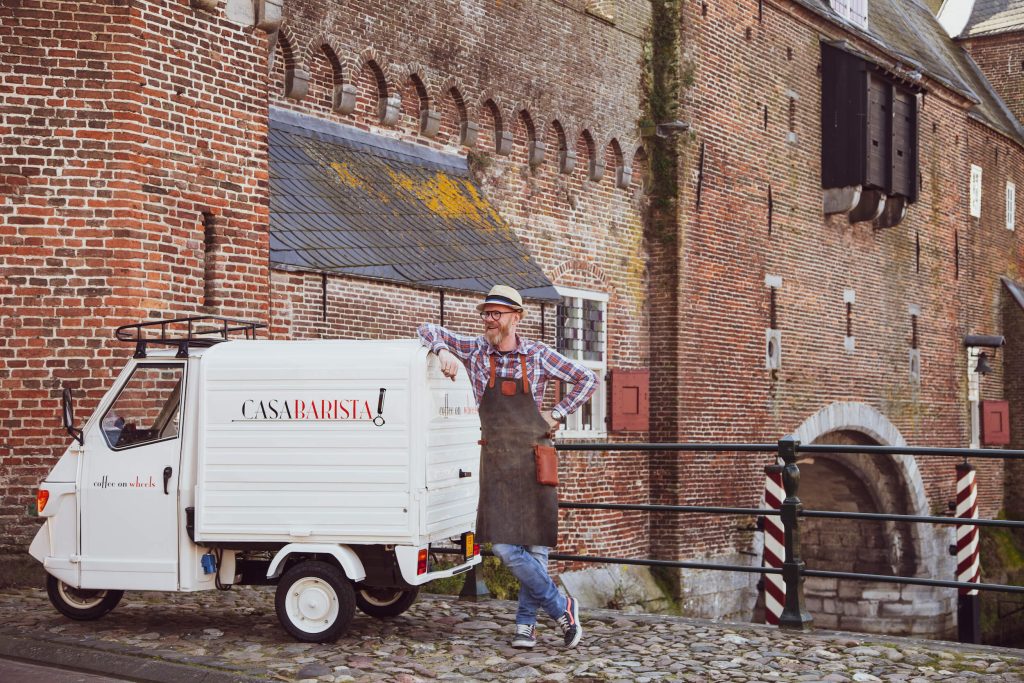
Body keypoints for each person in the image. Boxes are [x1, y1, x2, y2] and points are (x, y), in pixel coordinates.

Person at [418, 284, 598, 650]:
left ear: (516, 318)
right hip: (497, 460)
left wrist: (558, 412)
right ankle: (560, 605)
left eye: (496, 313)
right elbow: (427, 329)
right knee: (503, 545)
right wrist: (441, 352)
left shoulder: (538, 354)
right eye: (486, 313)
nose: (488, 319)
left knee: (535, 549)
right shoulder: (474, 350)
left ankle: (526, 624)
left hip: (535, 457)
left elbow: (588, 378)